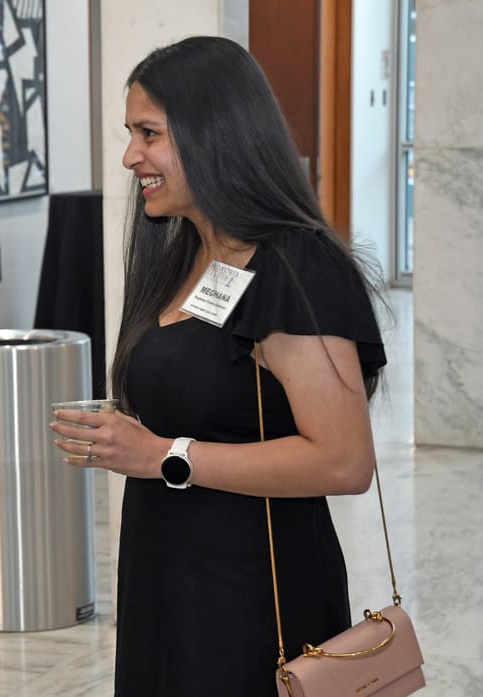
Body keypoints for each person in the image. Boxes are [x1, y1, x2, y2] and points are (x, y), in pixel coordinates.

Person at [50, 37, 387, 695]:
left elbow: (346, 461)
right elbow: (215, 397)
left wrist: (163, 454)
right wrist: (133, 432)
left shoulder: (295, 266)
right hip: (169, 587)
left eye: (149, 133)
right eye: (129, 133)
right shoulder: (185, 257)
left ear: (215, 134)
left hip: (251, 600)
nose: (129, 157)